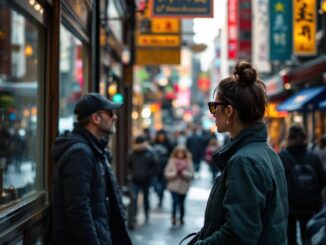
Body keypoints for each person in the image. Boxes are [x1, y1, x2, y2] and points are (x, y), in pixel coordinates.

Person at [184, 61, 288, 244]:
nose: (213, 113)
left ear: (229, 111)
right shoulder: (268, 153)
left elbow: (238, 235)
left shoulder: (244, 161)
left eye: (214, 106)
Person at [51, 93, 132, 245]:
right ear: (95, 118)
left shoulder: (94, 150)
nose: (115, 117)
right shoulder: (80, 153)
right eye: (110, 113)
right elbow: (78, 210)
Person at [279, 125, 326, 245]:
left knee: (291, 238)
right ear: (305, 137)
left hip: (289, 204)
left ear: (288, 138)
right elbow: (322, 180)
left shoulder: (282, 156)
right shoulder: (312, 156)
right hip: (309, 204)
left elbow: (278, 181)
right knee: (307, 235)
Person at [128, 135, 158, 224]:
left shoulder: (149, 152)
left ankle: (145, 214)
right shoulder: (133, 153)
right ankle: (134, 215)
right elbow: (129, 165)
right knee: (135, 198)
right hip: (136, 179)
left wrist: (148, 175)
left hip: (145, 180)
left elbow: (154, 166)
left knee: (144, 198)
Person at [164, 146, 194, 226]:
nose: (180, 154)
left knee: (181, 203)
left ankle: (181, 218)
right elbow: (166, 173)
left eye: (182, 153)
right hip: (173, 186)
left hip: (183, 187)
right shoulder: (171, 161)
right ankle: (173, 217)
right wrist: (175, 173)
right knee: (175, 202)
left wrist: (183, 173)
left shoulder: (188, 162)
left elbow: (191, 174)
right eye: (178, 152)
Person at [152, 129, 173, 208]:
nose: (161, 137)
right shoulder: (153, 143)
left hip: (165, 169)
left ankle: (161, 200)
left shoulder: (169, 144)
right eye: (159, 135)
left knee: (163, 187)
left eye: (162, 135)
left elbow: (172, 155)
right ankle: (159, 198)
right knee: (156, 187)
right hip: (155, 169)